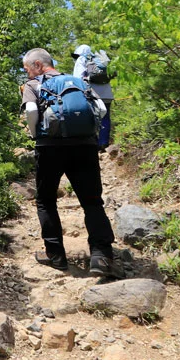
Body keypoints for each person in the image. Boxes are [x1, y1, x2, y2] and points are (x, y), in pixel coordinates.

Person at [20, 48, 115, 275]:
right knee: (92, 202)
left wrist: (36, 134)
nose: (28, 74)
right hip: (85, 147)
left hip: (49, 148)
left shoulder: (34, 85)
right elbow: (100, 108)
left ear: (37, 65)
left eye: (27, 69)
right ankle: (101, 257)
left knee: (46, 201)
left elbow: (32, 110)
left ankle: (56, 256)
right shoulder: (79, 82)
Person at [72, 44, 113, 150]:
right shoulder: (100, 58)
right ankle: (103, 142)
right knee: (105, 118)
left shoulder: (82, 59)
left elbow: (78, 78)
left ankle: (92, 143)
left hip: (92, 94)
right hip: (107, 94)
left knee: (90, 118)